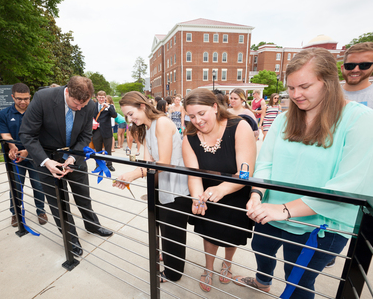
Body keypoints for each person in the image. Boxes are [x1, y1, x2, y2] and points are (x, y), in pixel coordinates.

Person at [234, 48, 373, 298]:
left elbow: (348, 185)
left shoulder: (360, 120)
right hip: (270, 214)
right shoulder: (284, 119)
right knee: (261, 249)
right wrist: (256, 195)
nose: (296, 95)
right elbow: (266, 163)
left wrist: (285, 209)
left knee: (297, 283)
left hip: (319, 226)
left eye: (305, 86)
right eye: (291, 87)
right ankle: (262, 280)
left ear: (329, 82)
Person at [19, 76, 113, 257]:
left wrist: (72, 157)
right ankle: (71, 239)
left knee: (83, 196)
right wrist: (46, 161)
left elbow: (86, 135)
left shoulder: (90, 105)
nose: (80, 108)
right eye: (76, 104)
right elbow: (27, 134)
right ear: (67, 91)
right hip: (47, 159)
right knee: (58, 203)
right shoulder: (43, 98)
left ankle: (92, 225)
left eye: (83, 105)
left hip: (74, 157)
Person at [182, 88, 256, 292]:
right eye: (191, 116)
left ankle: (227, 263)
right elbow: (193, 174)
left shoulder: (239, 126)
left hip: (235, 192)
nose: (197, 120)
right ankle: (208, 268)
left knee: (231, 234)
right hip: (206, 192)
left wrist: (223, 189)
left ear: (215, 107)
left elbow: (244, 173)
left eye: (201, 113)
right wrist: (197, 197)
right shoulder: (189, 136)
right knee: (208, 233)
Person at [113, 91, 190, 283]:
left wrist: (134, 175)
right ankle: (169, 255)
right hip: (160, 185)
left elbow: (163, 163)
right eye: (127, 116)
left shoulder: (162, 123)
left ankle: (173, 273)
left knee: (173, 231)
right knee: (163, 226)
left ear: (142, 106)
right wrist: (128, 176)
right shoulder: (147, 127)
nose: (130, 120)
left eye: (131, 114)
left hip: (175, 187)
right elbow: (148, 163)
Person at [0, 83, 47, 227]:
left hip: (34, 156)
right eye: (19, 99)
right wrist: (12, 147)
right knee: (16, 186)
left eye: (26, 98)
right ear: (13, 96)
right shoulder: (4, 114)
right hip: (15, 157)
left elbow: (41, 134)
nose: (23, 102)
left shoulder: (37, 112)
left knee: (38, 185)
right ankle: (15, 213)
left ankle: (41, 211)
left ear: (30, 97)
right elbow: (5, 134)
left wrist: (27, 150)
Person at [341, 42, 373, 108]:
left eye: (364, 65)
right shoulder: (327, 95)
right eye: (350, 65)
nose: (355, 70)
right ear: (342, 68)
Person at [91, 91, 117, 171]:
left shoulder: (110, 106)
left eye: (103, 97)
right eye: (99, 97)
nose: (101, 99)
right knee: (97, 150)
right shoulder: (93, 105)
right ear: (97, 97)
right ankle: (98, 165)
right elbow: (90, 115)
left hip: (107, 130)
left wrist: (108, 107)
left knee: (108, 149)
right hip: (96, 131)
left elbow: (114, 115)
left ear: (105, 98)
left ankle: (109, 164)